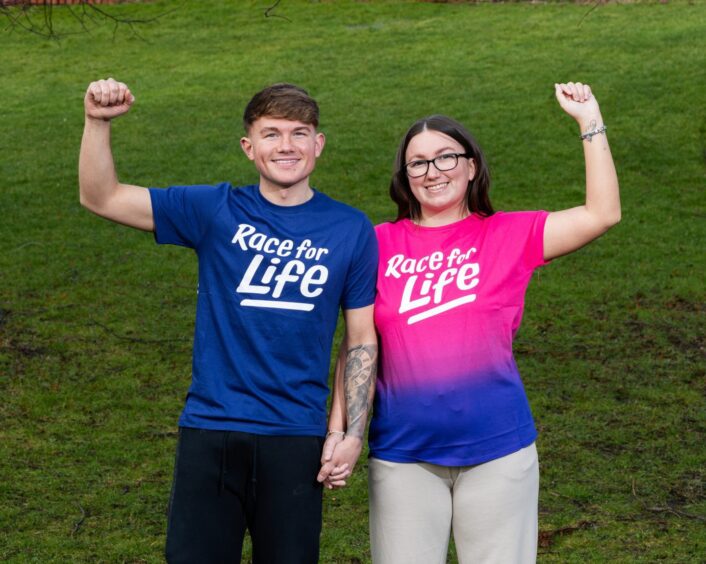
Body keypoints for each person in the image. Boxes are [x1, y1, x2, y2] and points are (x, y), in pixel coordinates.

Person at [79, 78, 378, 563]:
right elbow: (102, 197)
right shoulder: (215, 209)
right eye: (271, 133)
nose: (286, 145)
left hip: (296, 437)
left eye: (300, 133)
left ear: (318, 145)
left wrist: (348, 434)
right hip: (211, 429)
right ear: (248, 146)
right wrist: (97, 122)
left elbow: (360, 339)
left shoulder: (350, 228)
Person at [367, 82, 620, 563]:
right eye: (417, 162)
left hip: (498, 448)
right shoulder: (376, 243)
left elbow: (602, 213)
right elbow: (355, 342)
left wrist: (590, 122)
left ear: (471, 165)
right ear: (405, 176)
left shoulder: (510, 233)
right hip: (402, 453)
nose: (432, 171)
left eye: (445, 157)